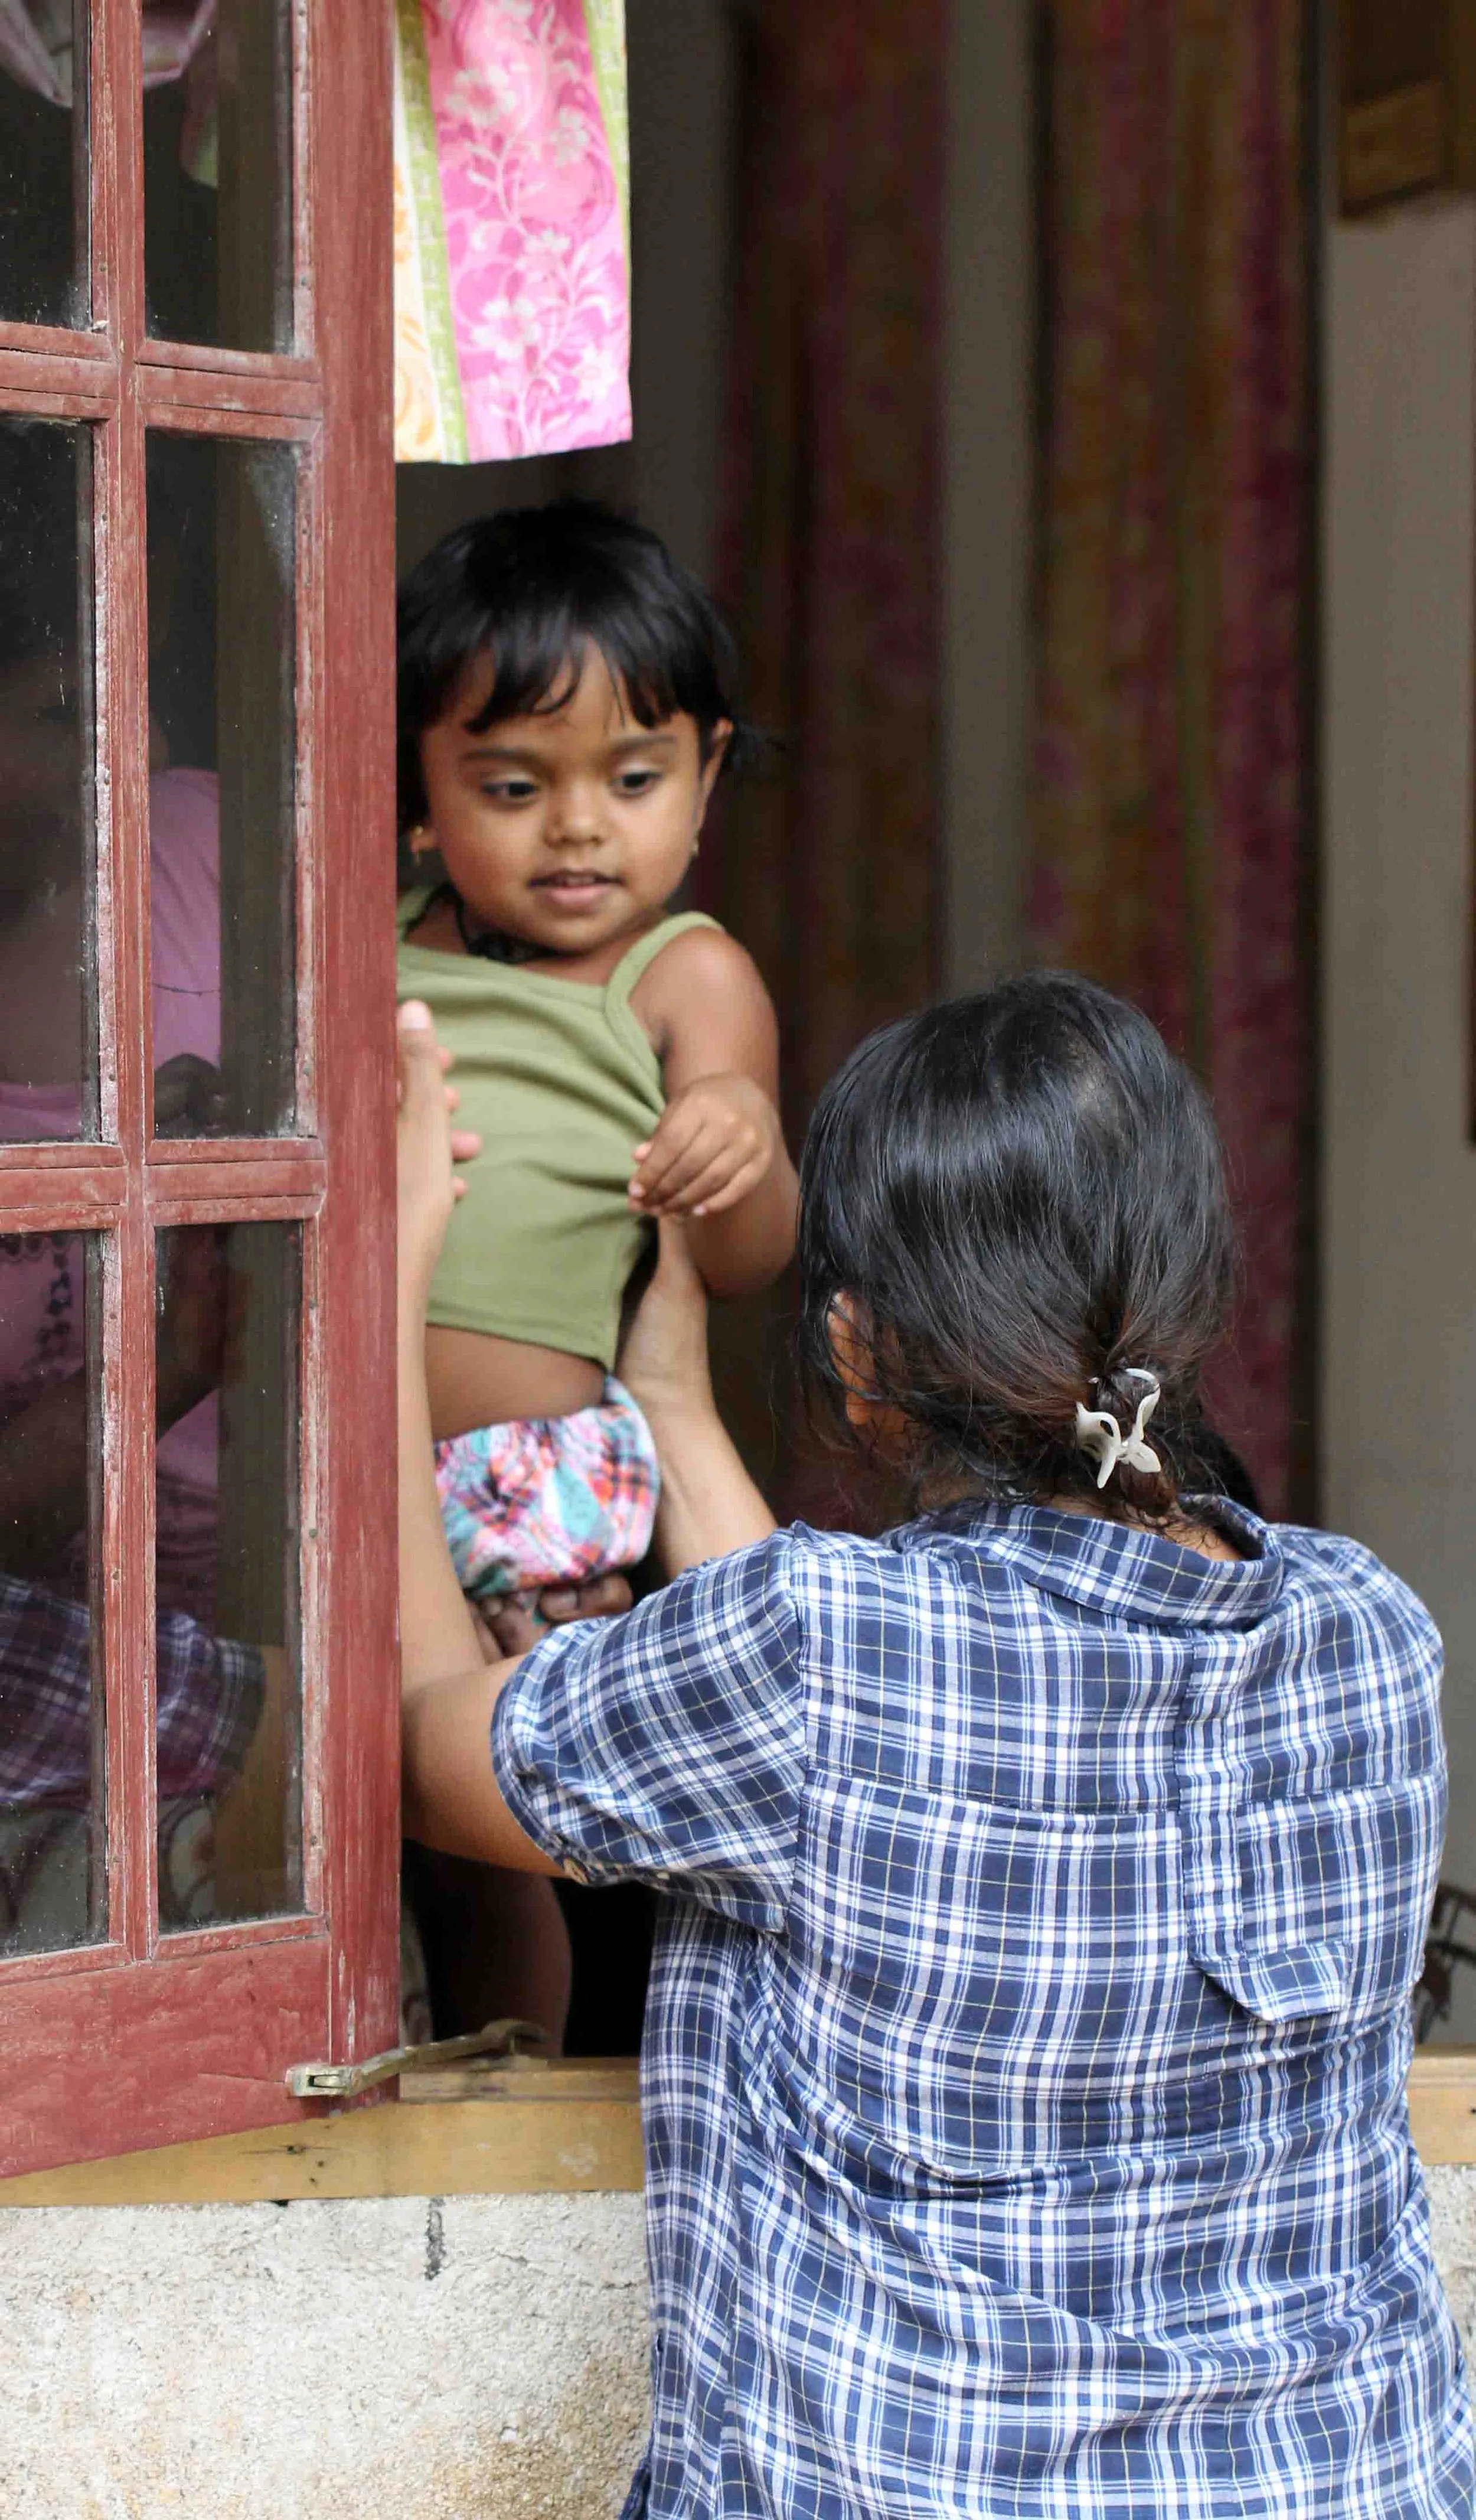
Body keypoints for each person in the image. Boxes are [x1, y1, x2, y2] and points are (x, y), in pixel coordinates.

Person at [395, 979, 1472, 2519]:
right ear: (1188, 1296)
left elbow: (443, 1746)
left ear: (855, 1351)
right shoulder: (1370, 1640)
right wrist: (674, 1400)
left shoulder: (816, 1656)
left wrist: (377, 1299)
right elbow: (922, 1736)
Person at [396, 500, 798, 1629]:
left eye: (632, 781)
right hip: (329, 1453)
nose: (578, 827)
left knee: (494, 1780)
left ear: (706, 775)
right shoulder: (363, 945)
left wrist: (738, 1139)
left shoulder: (686, 975)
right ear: (418, 783)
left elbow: (745, 1260)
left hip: (536, 1496)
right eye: (515, 788)